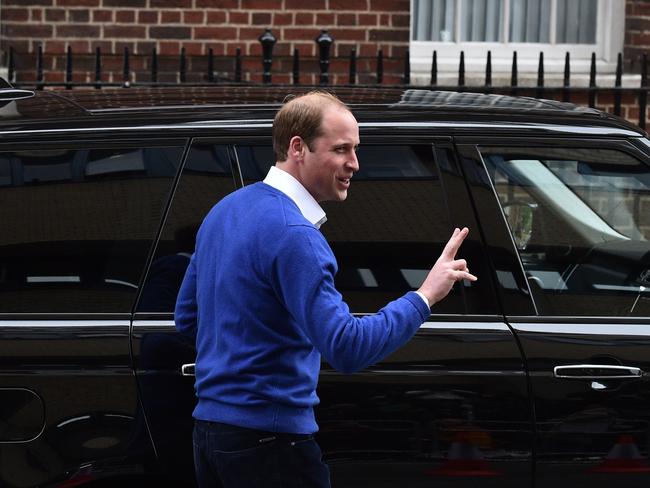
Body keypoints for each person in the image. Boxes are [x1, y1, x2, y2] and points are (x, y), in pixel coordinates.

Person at [174, 91, 477, 488]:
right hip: (271, 445)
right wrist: (425, 295)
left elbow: (187, 319)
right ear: (298, 147)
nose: (355, 163)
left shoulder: (225, 210)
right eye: (341, 149)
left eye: (355, 149)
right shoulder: (294, 234)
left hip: (210, 435)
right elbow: (347, 348)